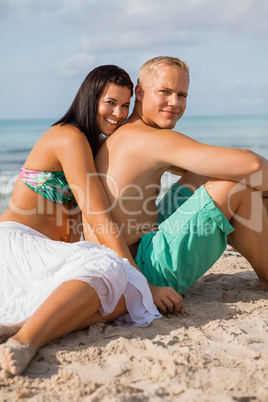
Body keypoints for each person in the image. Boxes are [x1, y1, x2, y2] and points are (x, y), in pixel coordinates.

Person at [0, 65, 163, 379]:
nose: (118, 112)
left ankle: (21, 325)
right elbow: (97, 215)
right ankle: (24, 341)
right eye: (110, 102)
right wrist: (143, 279)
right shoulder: (68, 137)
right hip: (16, 244)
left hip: (43, 251)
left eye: (126, 104)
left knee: (125, 293)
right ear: (91, 99)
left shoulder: (91, 145)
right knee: (119, 274)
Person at [95, 56, 268, 308]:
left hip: (131, 251)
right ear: (141, 92)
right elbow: (254, 165)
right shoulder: (152, 139)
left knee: (218, 173)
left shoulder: (130, 132)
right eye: (165, 92)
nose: (174, 103)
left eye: (182, 95)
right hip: (141, 270)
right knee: (235, 188)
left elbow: (225, 165)